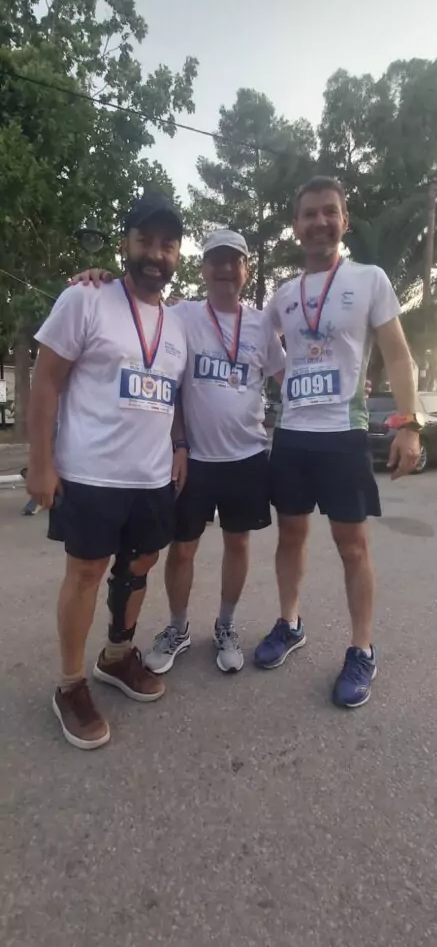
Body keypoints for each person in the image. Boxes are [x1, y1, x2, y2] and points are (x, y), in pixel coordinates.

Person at [71, 230, 285, 674]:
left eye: (234, 261)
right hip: (194, 460)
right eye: (216, 261)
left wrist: (339, 394)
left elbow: (286, 376)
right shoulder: (180, 315)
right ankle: (177, 628)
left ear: (246, 269)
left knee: (238, 543)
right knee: (182, 551)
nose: (225, 269)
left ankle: (226, 626)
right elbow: (136, 303)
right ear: (202, 268)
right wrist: (102, 278)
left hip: (246, 456)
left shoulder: (262, 324)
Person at [27, 193, 188, 749]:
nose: (156, 254)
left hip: (152, 478)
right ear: (125, 244)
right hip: (90, 475)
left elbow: (173, 395)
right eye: (145, 240)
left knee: (140, 567)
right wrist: (41, 464)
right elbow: (46, 380)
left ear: (177, 254)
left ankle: (117, 655)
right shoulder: (85, 299)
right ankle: (70, 684)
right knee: (86, 574)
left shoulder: (177, 323)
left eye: (167, 245)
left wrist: (180, 446)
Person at [254, 176, 421, 707]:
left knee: (353, 547)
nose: (320, 222)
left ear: (344, 221)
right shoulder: (283, 296)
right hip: (293, 436)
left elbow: (398, 354)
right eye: (309, 213)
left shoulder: (370, 279)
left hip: (343, 435)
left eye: (330, 212)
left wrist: (409, 423)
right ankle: (290, 623)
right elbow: (260, 347)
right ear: (296, 226)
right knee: (290, 538)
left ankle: (362, 649)